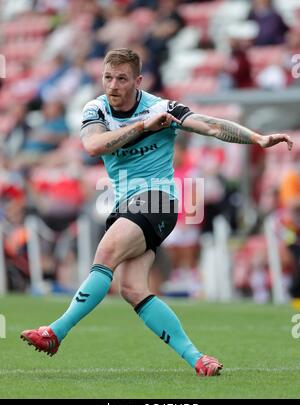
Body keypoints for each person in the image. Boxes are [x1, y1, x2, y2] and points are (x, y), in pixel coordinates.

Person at [20, 48, 293, 377]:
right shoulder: (96, 109)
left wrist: (258, 139)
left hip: (158, 201)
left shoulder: (163, 107)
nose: (113, 85)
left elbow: (209, 125)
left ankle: (55, 333)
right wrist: (141, 127)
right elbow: (93, 146)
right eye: (108, 77)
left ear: (137, 81)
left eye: (122, 79)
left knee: (105, 252)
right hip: (124, 204)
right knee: (132, 289)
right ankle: (198, 359)